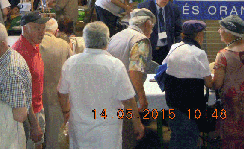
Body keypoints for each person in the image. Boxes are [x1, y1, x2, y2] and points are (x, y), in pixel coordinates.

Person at [57, 21, 145, 148]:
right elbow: (128, 100)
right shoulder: (115, 65)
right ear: (106, 41)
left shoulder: (71, 63)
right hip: (107, 129)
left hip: (79, 126)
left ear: (85, 40)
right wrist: (137, 122)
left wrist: (66, 111)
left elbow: (62, 93)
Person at [107, 8, 155, 149]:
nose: (152, 31)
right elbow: (135, 71)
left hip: (109, 96)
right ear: (147, 24)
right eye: (152, 26)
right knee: (127, 139)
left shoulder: (116, 36)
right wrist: (142, 98)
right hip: (126, 99)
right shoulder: (140, 41)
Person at [163, 20, 212, 148]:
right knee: (190, 138)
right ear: (198, 35)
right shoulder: (199, 53)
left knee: (176, 136)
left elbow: (164, 65)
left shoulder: (175, 47)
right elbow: (209, 83)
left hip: (173, 103)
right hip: (191, 105)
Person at [12, 11, 49, 149]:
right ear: (25, 28)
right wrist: (34, 124)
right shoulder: (20, 53)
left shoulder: (35, 46)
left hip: (38, 108)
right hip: (28, 114)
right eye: (37, 28)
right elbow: (21, 94)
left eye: (43, 28)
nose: (42, 32)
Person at [212, 15, 244, 148]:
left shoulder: (224, 55)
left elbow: (217, 84)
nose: (218, 31)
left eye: (221, 28)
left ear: (229, 32)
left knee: (233, 141)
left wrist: (207, 80)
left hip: (234, 107)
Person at [39, 18, 72, 149]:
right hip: (56, 101)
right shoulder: (63, 45)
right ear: (56, 31)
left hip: (34, 101)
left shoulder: (33, 44)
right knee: (54, 141)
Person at [138, 0, 182, 64]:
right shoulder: (144, 7)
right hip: (149, 49)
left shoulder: (174, 9)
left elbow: (178, 31)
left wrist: (177, 48)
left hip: (167, 49)